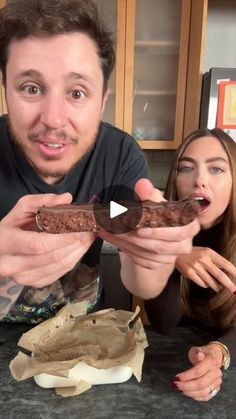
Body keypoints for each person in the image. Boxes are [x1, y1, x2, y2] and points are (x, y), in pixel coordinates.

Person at [0, 0, 199, 323]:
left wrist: (152, 258)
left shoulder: (119, 155)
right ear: (6, 90)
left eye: (77, 93)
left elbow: (142, 282)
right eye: (31, 88)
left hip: (85, 335)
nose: (53, 119)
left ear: (103, 101)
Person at [144, 128, 236, 402]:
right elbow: (163, 323)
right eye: (186, 168)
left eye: (216, 170)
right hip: (175, 363)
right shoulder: (160, 227)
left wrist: (219, 350)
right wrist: (174, 251)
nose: (199, 181)